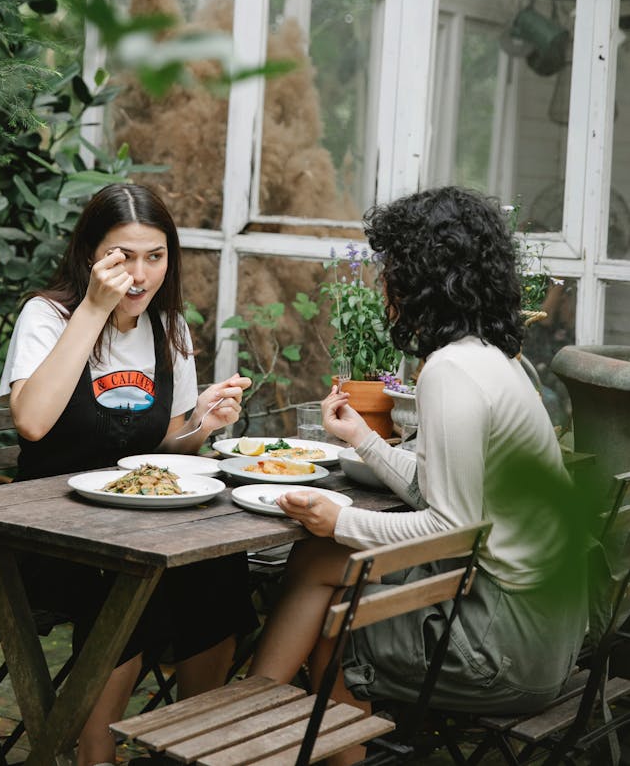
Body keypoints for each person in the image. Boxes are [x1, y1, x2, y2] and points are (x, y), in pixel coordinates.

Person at [250, 186, 586, 765]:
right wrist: (362, 438)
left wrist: (340, 518)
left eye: (392, 268)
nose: (384, 284)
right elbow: (448, 492)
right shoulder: (490, 360)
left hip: (505, 649)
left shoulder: (451, 372)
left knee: (334, 615)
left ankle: (254, 733)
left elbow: (451, 527)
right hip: (547, 629)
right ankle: (262, 722)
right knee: (318, 565)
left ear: (422, 277)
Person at [0, 182, 257, 766]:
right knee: (136, 580)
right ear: (91, 254)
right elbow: (32, 422)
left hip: (140, 524)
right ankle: (95, 748)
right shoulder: (48, 316)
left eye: (155, 256)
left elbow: (163, 444)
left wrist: (204, 426)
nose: (139, 275)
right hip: (49, 535)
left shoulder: (170, 329)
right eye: (122, 256)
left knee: (217, 564)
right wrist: (92, 309)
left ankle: (197, 739)